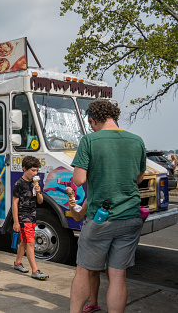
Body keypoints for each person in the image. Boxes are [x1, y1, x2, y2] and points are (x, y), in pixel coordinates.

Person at [70, 100, 146, 313]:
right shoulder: (136, 140)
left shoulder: (90, 140)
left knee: (84, 271)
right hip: (131, 217)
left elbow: (78, 179)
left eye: (91, 123)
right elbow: (139, 178)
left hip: (101, 219)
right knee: (118, 275)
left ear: (93, 120)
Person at [12, 156, 49, 280]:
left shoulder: (35, 183)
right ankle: (35, 270)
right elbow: (14, 203)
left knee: (23, 242)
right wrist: (16, 222)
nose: (35, 173)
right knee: (31, 242)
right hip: (23, 217)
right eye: (33, 170)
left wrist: (38, 191)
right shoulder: (19, 184)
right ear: (24, 168)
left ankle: (17, 263)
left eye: (37, 170)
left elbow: (40, 201)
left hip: (33, 216)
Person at [68, 197, 106, 313]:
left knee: (113, 274)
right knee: (93, 272)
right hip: (94, 239)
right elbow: (78, 216)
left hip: (111, 236)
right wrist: (71, 206)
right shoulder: (91, 197)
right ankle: (93, 303)